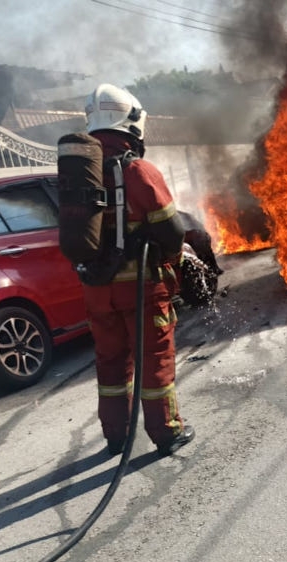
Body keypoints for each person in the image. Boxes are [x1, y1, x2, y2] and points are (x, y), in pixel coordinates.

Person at [82, 83, 195, 457]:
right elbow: (172, 230)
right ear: (131, 122)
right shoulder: (138, 171)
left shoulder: (79, 175)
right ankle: (167, 432)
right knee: (154, 359)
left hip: (97, 290)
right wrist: (175, 267)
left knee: (110, 363)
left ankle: (115, 436)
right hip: (142, 288)